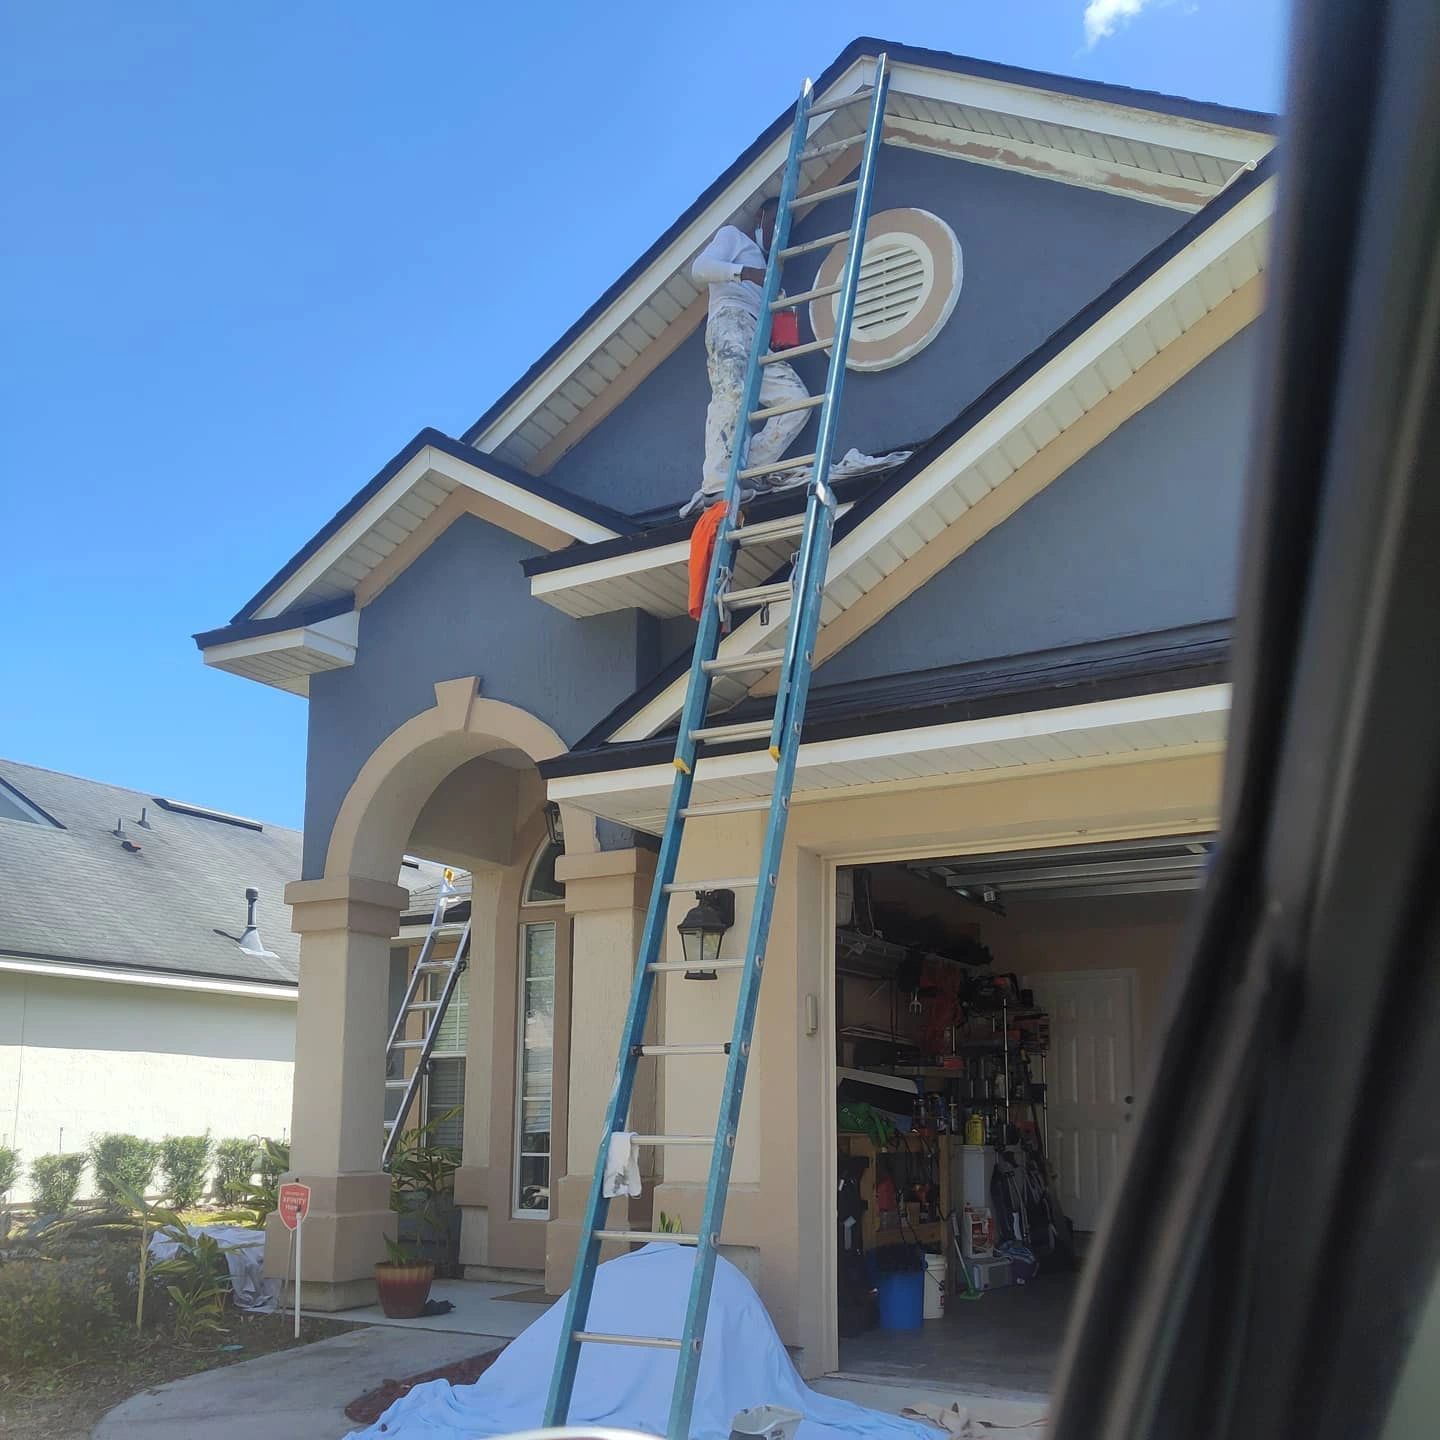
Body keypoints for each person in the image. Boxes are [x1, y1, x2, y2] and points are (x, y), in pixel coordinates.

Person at [689, 197, 811, 506]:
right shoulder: (734, 238)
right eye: (775, 222)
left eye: (787, 227)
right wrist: (745, 273)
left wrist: (784, 315)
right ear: (760, 218)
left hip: (759, 338)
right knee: (732, 394)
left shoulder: (774, 274)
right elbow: (700, 269)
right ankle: (717, 483)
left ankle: (746, 472)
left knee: (797, 402)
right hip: (730, 319)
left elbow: (784, 340)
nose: (779, 231)